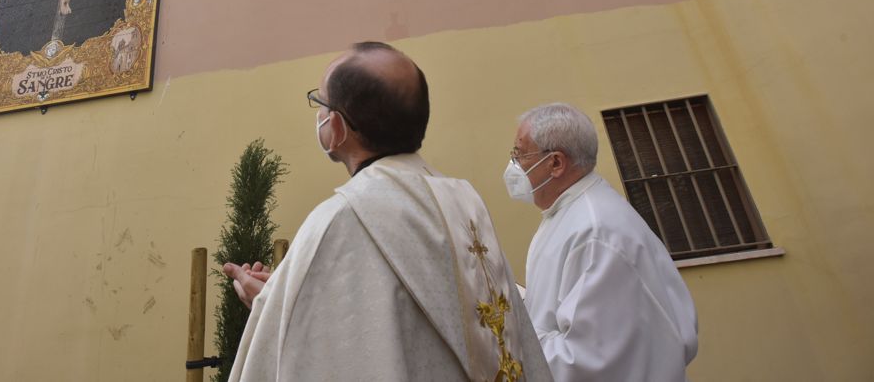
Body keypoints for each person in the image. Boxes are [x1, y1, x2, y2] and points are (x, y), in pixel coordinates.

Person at [224, 42, 552, 382]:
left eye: (320, 103)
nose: (317, 113)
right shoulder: (463, 200)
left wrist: (269, 305)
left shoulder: (340, 218)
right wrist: (286, 291)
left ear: (336, 128)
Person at [504, 103, 698, 382]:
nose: (514, 165)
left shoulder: (595, 231)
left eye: (520, 154)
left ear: (556, 163)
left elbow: (588, 361)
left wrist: (509, 334)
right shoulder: (568, 213)